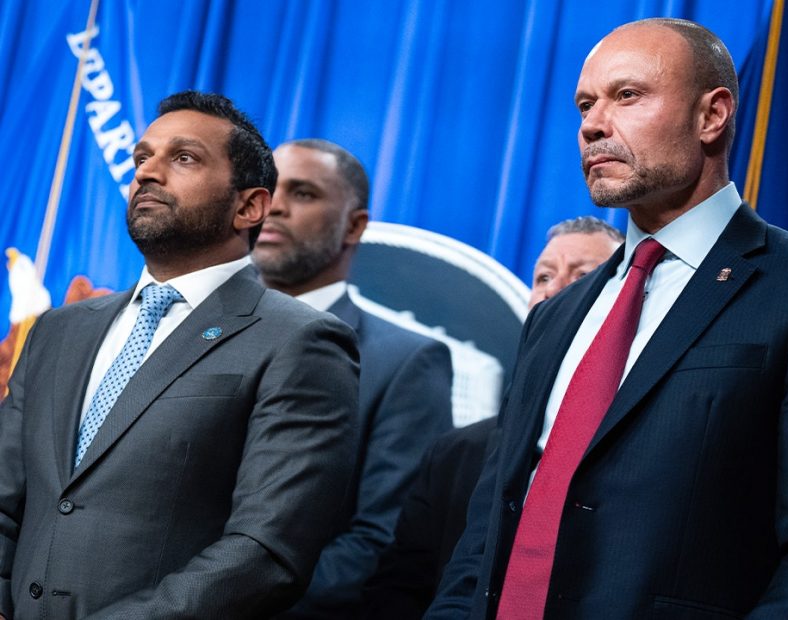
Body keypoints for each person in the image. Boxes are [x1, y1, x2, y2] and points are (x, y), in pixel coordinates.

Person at [428, 18, 788, 620]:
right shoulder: (555, 317)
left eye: (627, 95)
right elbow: (487, 532)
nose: (592, 125)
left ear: (712, 115)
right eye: (585, 105)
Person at [0, 91, 360, 620]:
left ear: (249, 206)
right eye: (142, 158)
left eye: (184, 158)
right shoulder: (59, 330)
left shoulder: (301, 341)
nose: (148, 172)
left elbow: (264, 552)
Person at [364, 216, 622, 619]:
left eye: (583, 276)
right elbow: (400, 588)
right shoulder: (457, 453)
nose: (553, 290)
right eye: (543, 277)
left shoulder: (638, 443)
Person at [253, 138, 454, 618]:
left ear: (355, 225)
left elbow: (381, 542)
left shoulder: (408, 362)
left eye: (303, 193)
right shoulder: (196, 332)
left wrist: (219, 603)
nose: (274, 206)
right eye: (268, 190)